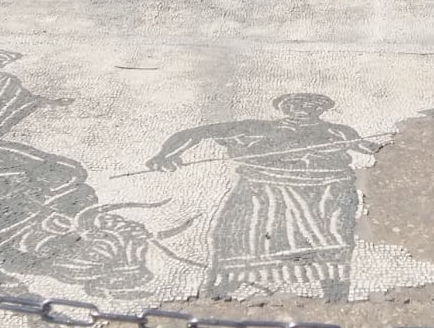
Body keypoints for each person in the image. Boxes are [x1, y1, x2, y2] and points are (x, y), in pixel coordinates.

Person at [145, 93, 381, 302]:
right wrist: (164, 154)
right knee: (238, 244)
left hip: (325, 197)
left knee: (332, 251)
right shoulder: (254, 128)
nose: (303, 108)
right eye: (295, 103)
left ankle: (336, 306)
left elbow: (371, 148)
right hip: (265, 193)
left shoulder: (338, 132)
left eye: (312, 104)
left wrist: (399, 148)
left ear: (322, 109)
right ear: (283, 107)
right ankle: (214, 300)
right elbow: (196, 133)